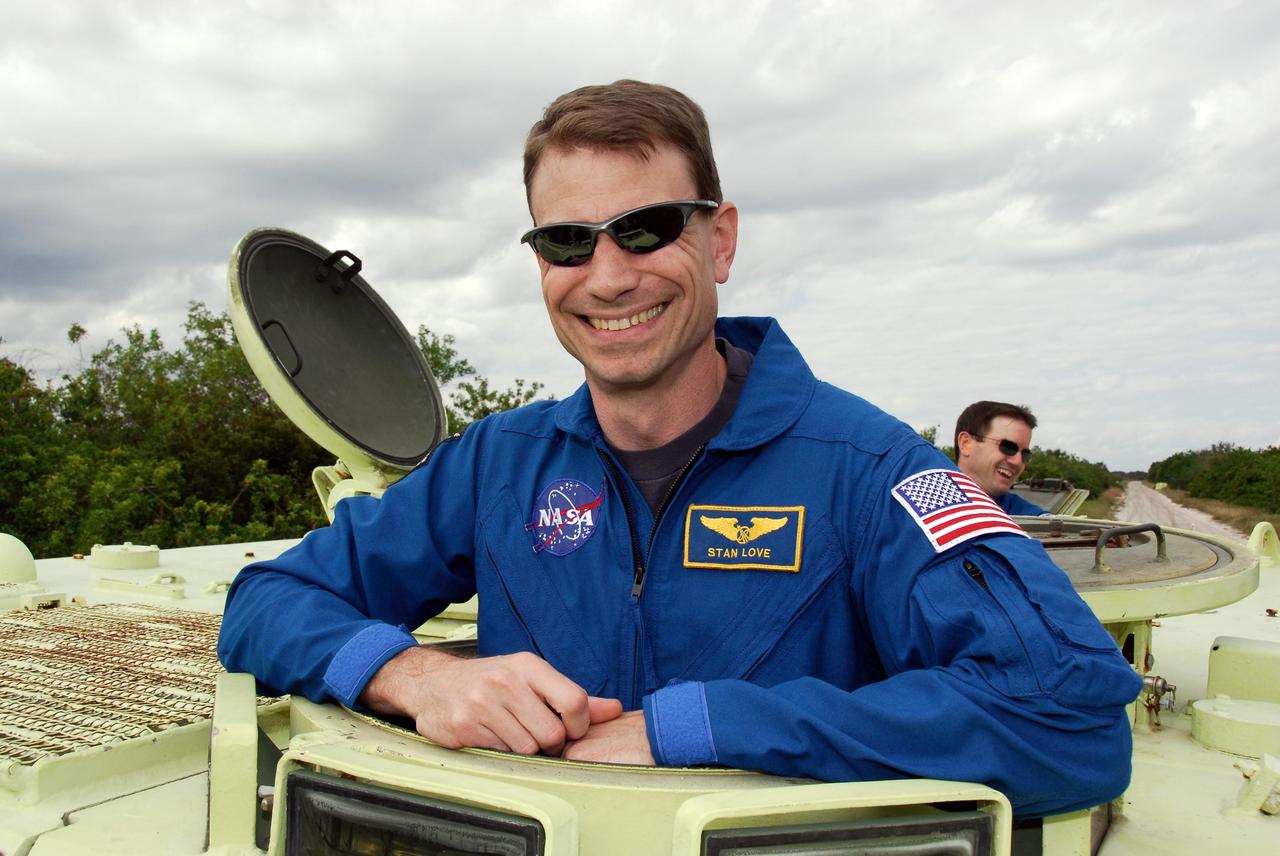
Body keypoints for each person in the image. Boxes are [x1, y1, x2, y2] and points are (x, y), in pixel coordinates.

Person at [217, 80, 1140, 817]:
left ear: (720, 239)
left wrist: (705, 726)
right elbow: (266, 601)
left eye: (648, 228)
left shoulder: (873, 470)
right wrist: (406, 675)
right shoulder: (500, 463)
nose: (609, 276)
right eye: (568, 240)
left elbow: (1071, 718)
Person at [953, 401, 1048, 516]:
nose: (1018, 462)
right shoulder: (928, 500)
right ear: (966, 443)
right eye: (1008, 447)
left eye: (1025, 454)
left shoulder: (1031, 517)